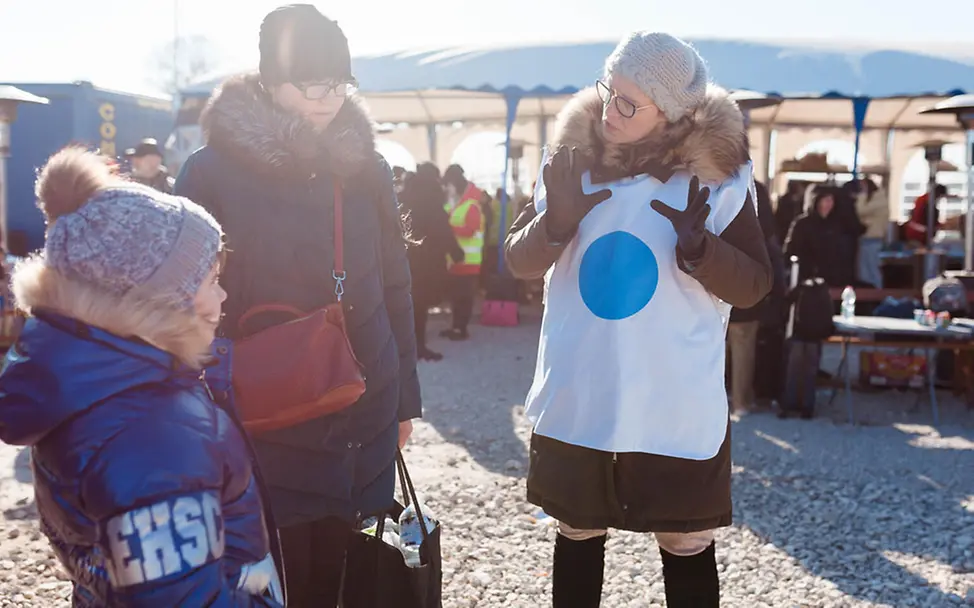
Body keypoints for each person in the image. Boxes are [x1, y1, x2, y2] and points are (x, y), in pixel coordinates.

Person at [505, 32, 773, 607]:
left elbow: (754, 285)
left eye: (630, 104)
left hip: (671, 399)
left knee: (685, 540)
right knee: (577, 528)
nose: (610, 111)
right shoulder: (570, 163)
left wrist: (703, 250)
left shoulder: (717, 179)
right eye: (609, 91)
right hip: (582, 388)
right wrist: (554, 225)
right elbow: (517, 262)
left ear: (671, 113)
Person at [173, 5, 421, 606]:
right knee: (265, 569)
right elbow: (178, 296)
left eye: (339, 83)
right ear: (271, 80)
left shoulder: (366, 169)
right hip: (258, 407)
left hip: (360, 399)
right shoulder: (212, 172)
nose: (328, 98)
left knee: (341, 568)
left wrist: (404, 401)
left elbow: (395, 285)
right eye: (312, 83)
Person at [0, 148, 283, 606]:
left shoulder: (92, 386)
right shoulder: (156, 439)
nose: (223, 296)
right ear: (158, 300)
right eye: (210, 280)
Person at [399, 163, 464, 361]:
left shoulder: (404, 199)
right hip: (428, 265)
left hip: (404, 261)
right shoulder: (433, 201)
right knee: (420, 306)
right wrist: (456, 253)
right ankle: (418, 346)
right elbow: (443, 232)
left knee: (408, 304)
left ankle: (407, 345)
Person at [727, 179, 777, 414]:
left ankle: (716, 400)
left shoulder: (712, 182)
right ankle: (741, 402)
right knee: (743, 347)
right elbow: (769, 237)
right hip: (746, 283)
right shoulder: (754, 190)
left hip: (713, 281)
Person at [441, 164, 485, 340]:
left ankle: (461, 329)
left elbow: (469, 231)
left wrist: (448, 229)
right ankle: (455, 326)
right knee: (455, 298)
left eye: (449, 185)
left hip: (469, 262)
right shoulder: (454, 205)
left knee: (464, 298)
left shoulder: (471, 206)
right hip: (455, 262)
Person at [784, 186, 846, 285]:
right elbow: (792, 250)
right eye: (826, 200)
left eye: (831, 200)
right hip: (806, 277)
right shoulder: (802, 224)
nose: (829, 204)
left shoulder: (835, 225)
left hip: (831, 278)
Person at [855, 177, 889, 287]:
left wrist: (861, 195)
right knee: (867, 270)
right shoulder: (879, 199)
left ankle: (876, 293)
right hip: (870, 239)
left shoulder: (878, 200)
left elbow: (860, 210)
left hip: (871, 239)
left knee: (870, 270)